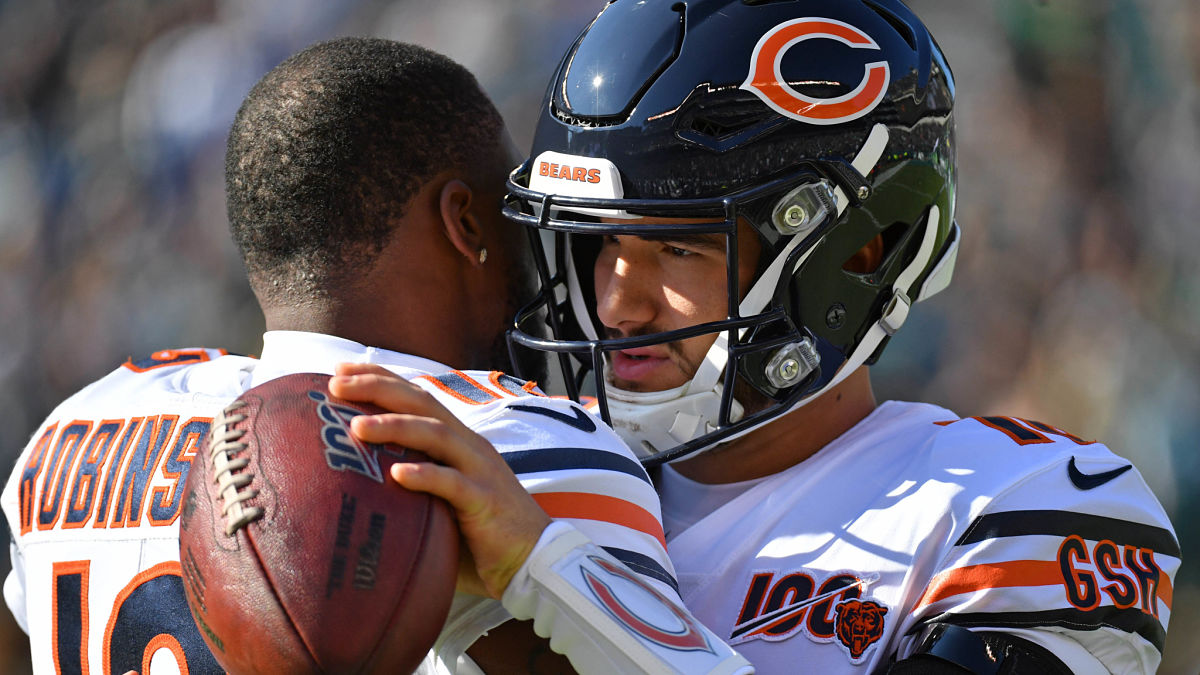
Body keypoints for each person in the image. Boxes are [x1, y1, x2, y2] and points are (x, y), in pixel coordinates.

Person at [2, 37, 750, 674]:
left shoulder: (77, 427)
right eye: (507, 212)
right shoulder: (513, 446)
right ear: (465, 221)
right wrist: (539, 560)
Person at [502, 0, 1181, 672]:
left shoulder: (1000, 508)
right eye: (599, 241)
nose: (618, 304)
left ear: (860, 252)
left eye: (679, 248)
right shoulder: (533, 468)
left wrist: (555, 583)